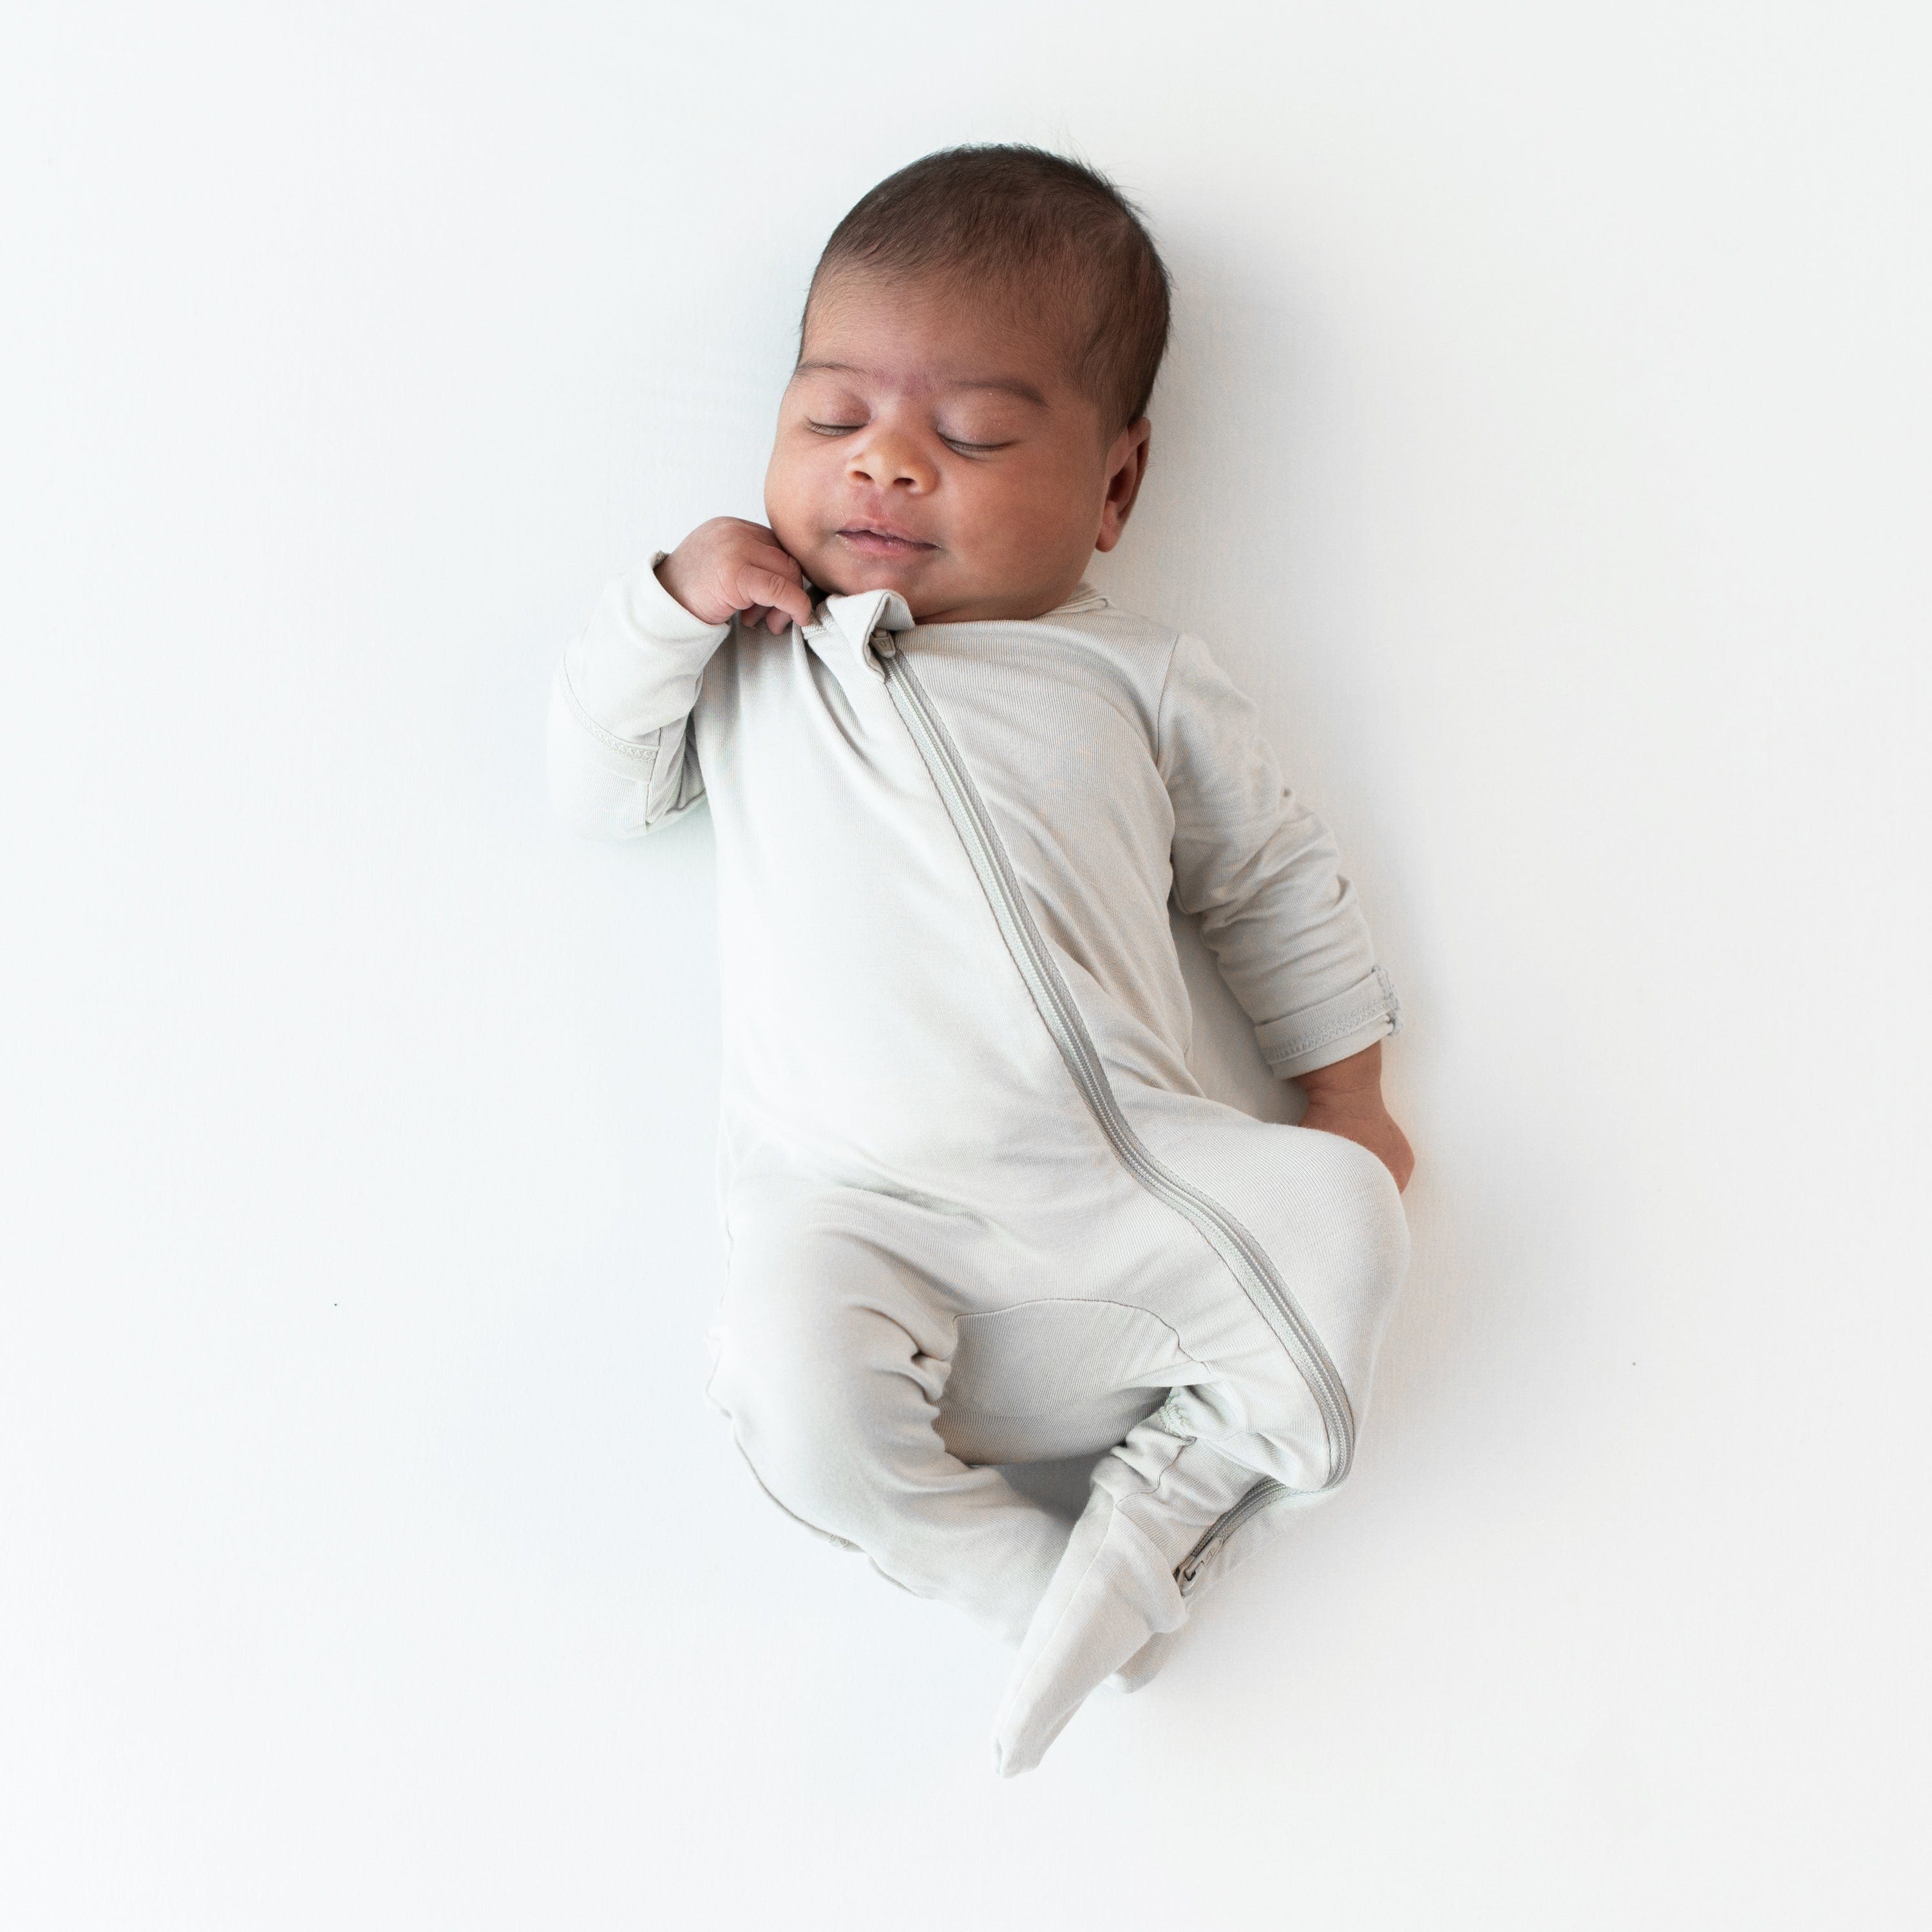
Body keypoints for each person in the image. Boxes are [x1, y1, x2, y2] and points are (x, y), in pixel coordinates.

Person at [546, 144, 1414, 1776]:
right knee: (777, 1372)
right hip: (861, 1224)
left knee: (1350, 1217)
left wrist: (1348, 1090)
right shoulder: (758, 658)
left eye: (972, 436)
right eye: (832, 422)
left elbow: (1273, 878)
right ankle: (1026, 1581)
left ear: (1113, 487)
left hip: (1132, 1213)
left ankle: (1156, 1516)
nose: (886, 467)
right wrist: (668, 605)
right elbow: (601, 788)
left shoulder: (1132, 677)